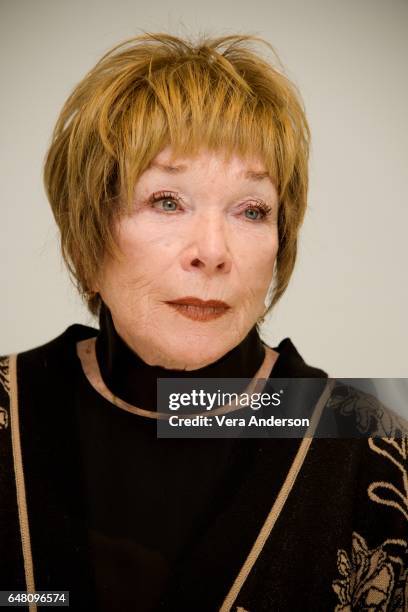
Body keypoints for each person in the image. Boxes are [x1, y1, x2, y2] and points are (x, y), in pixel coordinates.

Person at [0, 32, 407, 612]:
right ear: (87, 237)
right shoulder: (11, 409)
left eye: (252, 210)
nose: (212, 251)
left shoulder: (373, 441)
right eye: (167, 200)